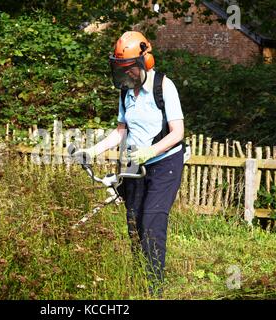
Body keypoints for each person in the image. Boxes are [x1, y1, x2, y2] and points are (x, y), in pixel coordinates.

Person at [73, 31, 184, 296]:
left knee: (151, 221)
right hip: (136, 164)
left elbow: (178, 132)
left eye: (131, 68)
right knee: (134, 222)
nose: (128, 74)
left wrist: (150, 151)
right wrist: (93, 150)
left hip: (165, 162)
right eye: (122, 69)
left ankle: (153, 288)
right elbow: (121, 131)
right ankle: (138, 278)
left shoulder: (163, 87)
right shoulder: (125, 93)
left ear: (145, 62)